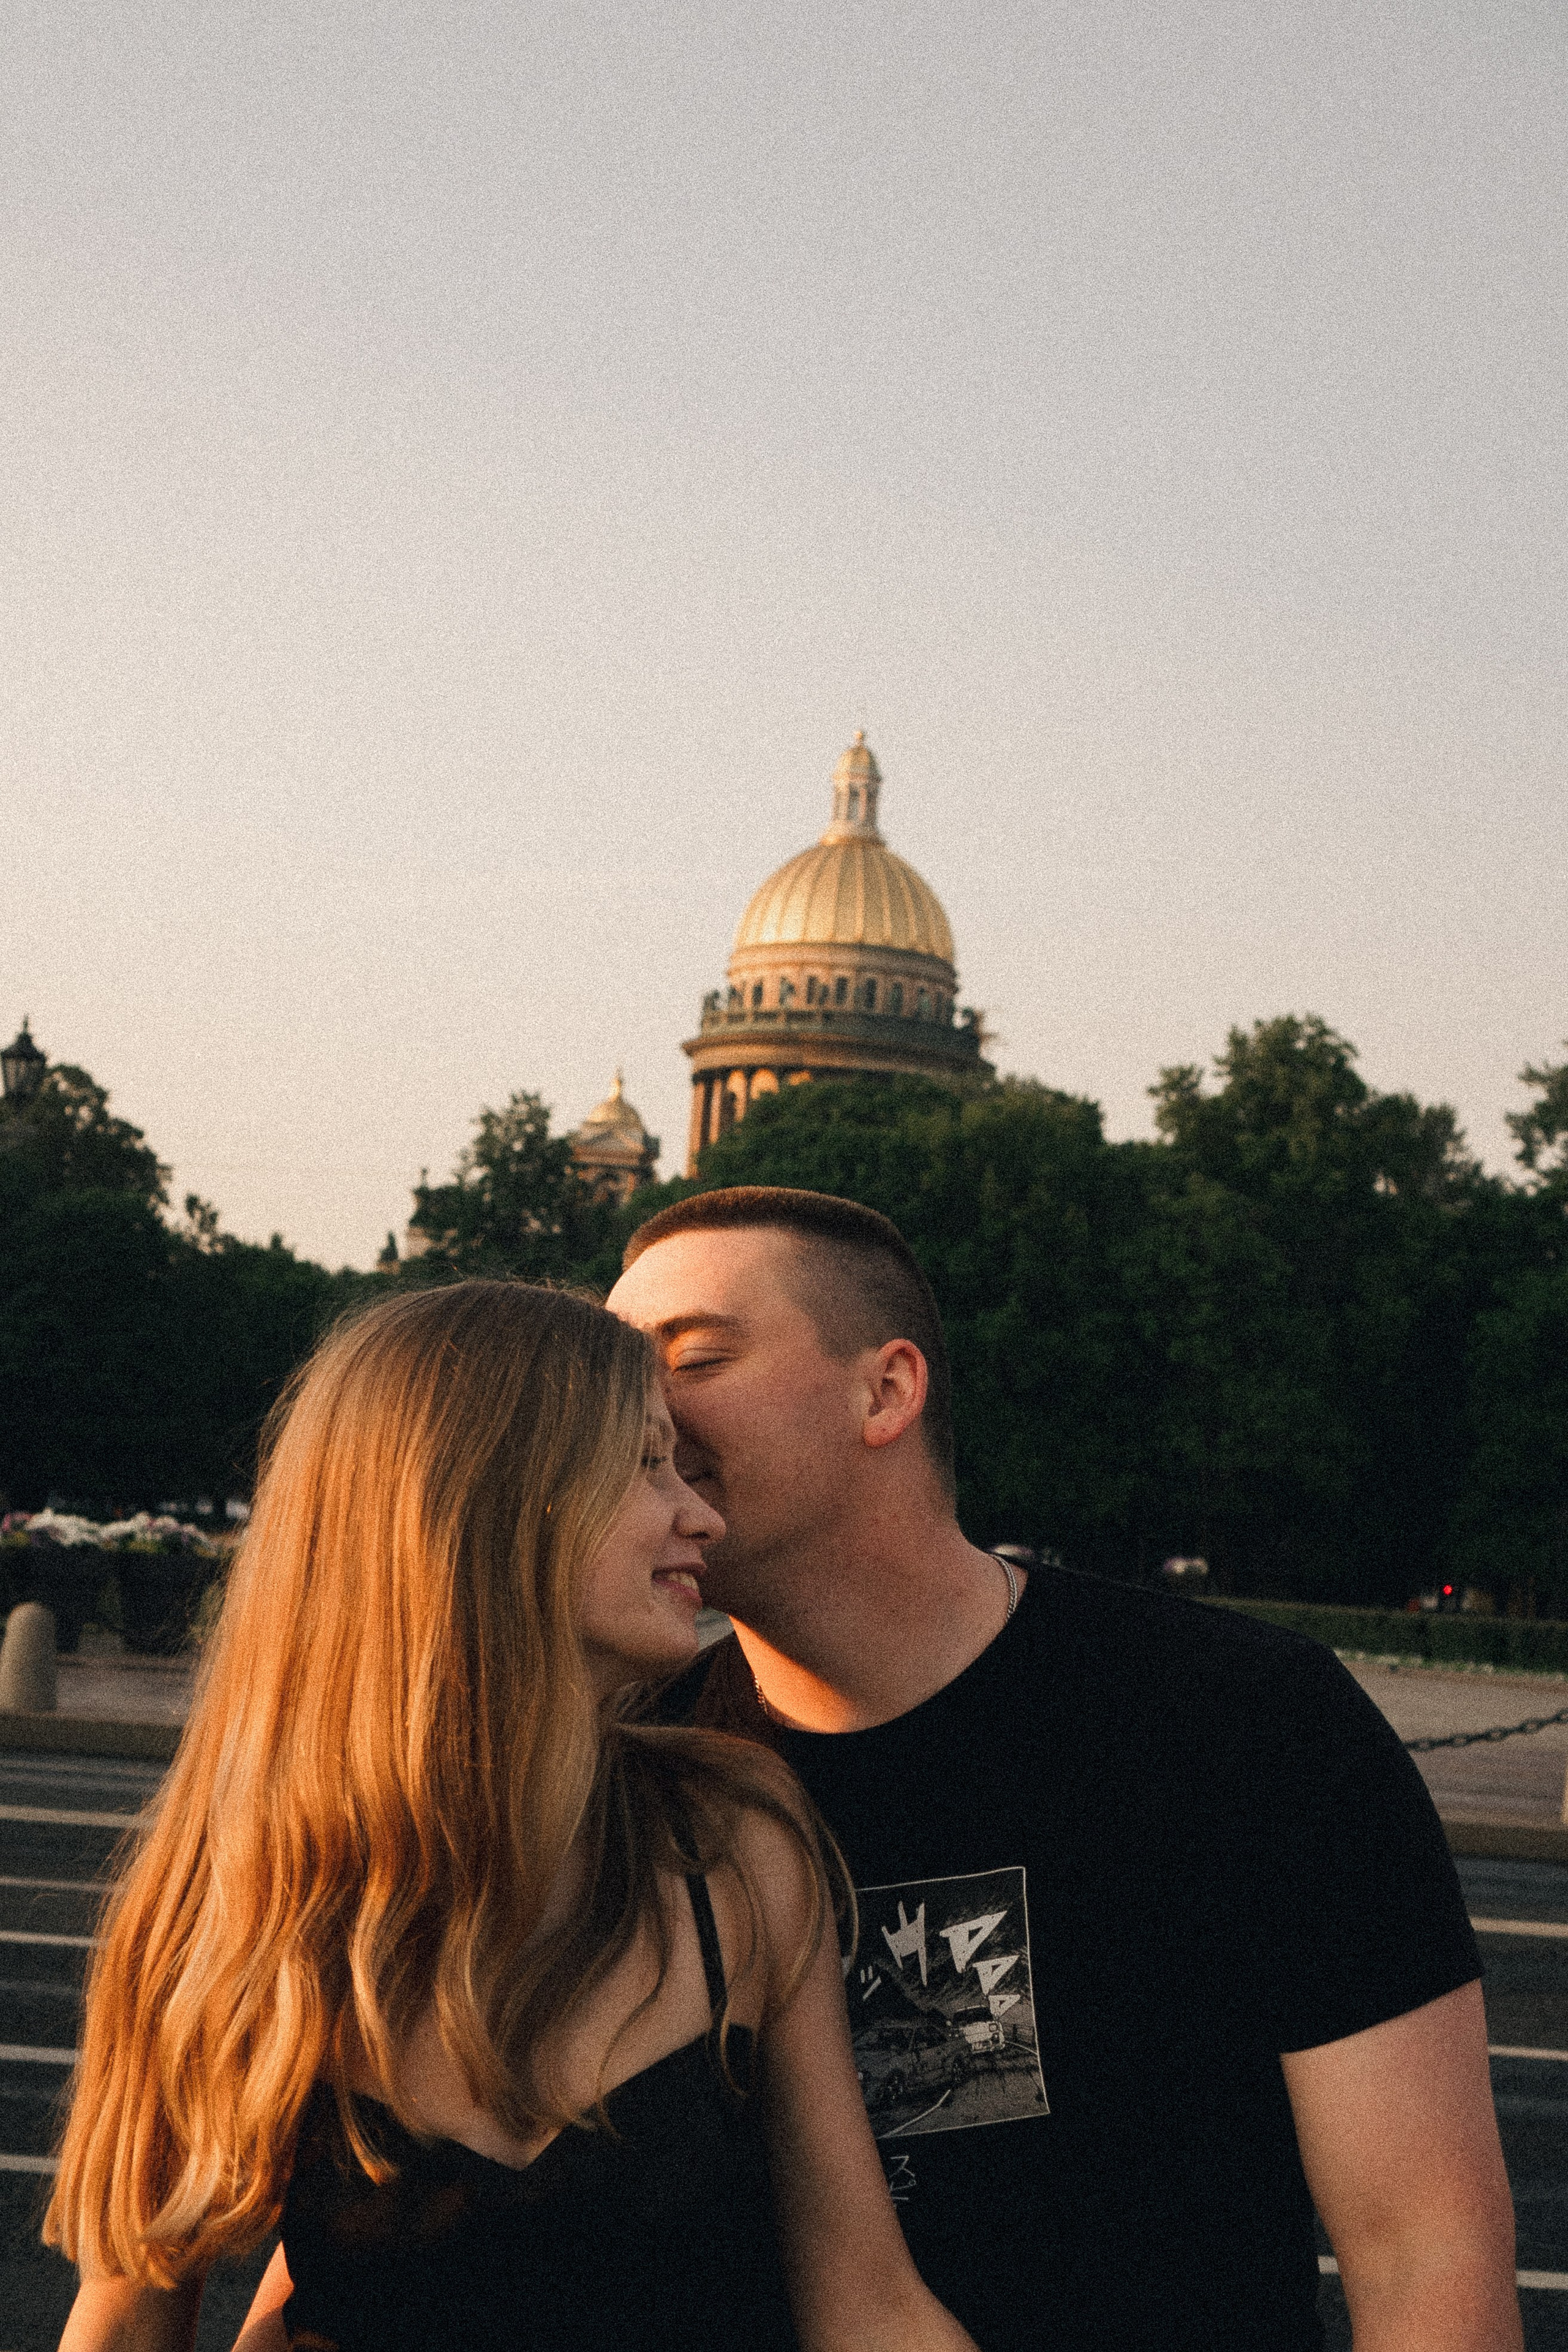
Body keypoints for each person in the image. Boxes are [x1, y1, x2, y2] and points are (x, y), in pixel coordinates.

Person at [606, 1185, 1524, 2352]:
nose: (638, 1408)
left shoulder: (1248, 1725)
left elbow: (1426, 2256)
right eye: (621, 1368)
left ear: (885, 1390)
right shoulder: (631, 1770)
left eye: (693, 1357)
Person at [48, 1280, 976, 2352]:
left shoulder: (732, 1837)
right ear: (482, 1500)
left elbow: (868, 2308)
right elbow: (127, 2313)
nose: (701, 1515)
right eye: (642, 1463)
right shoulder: (226, 1893)